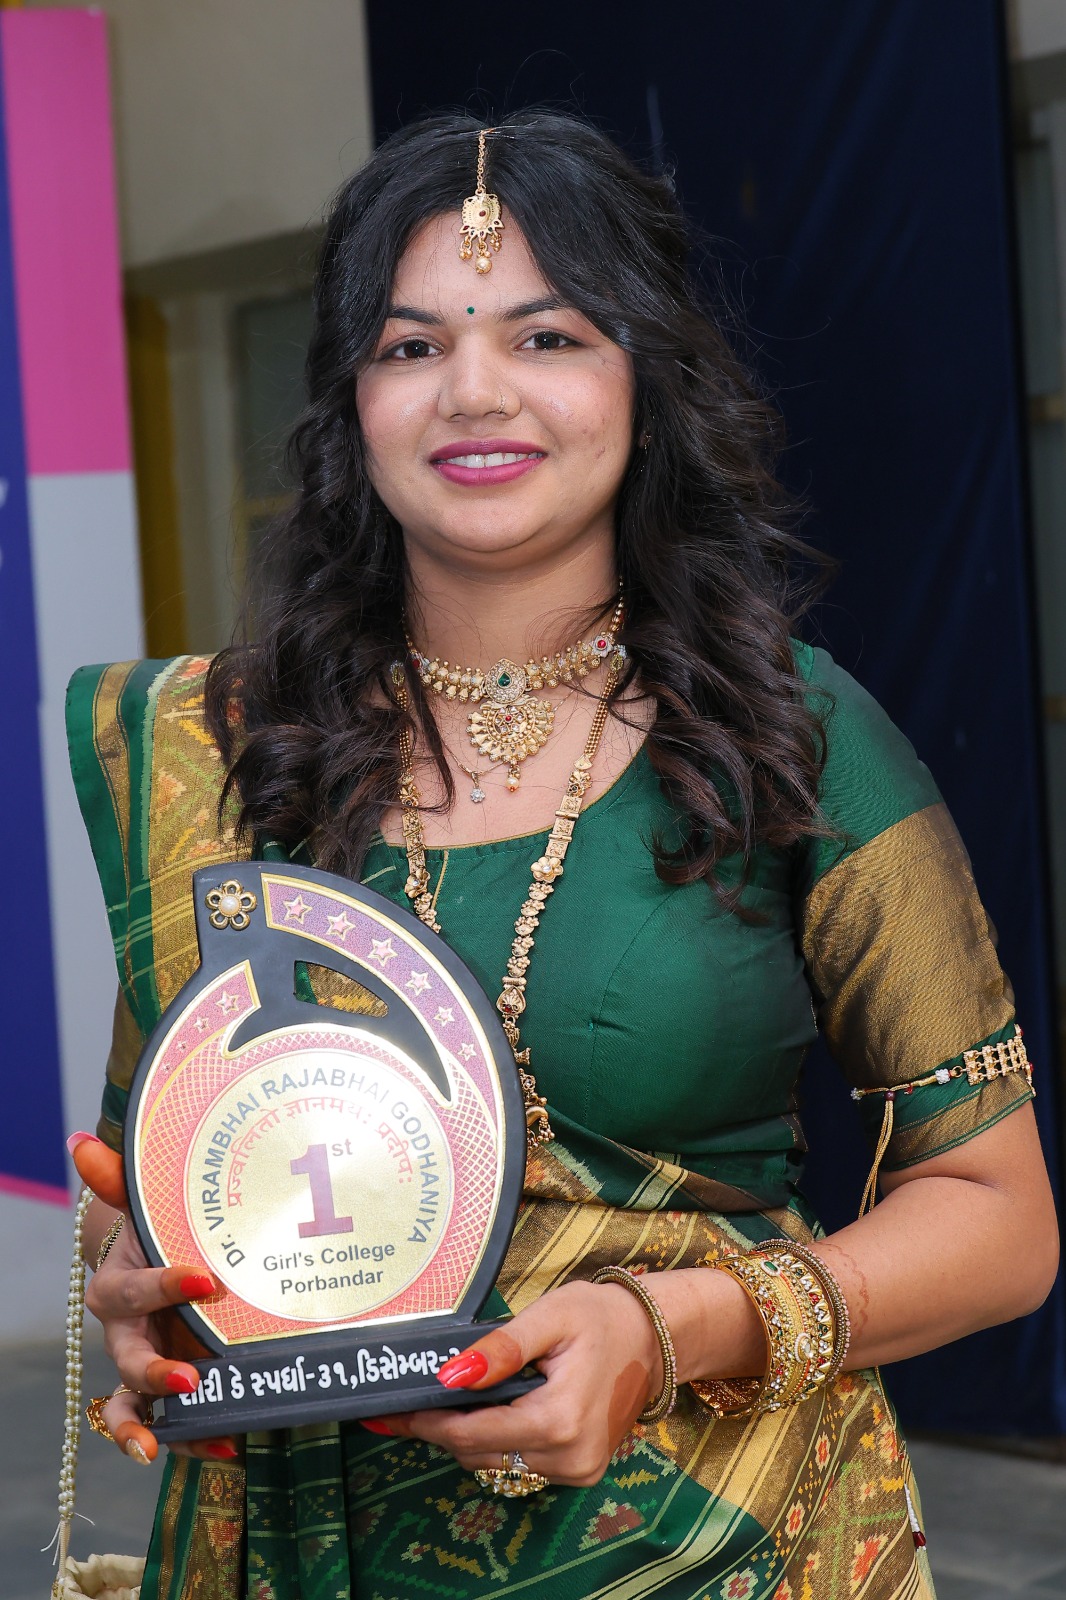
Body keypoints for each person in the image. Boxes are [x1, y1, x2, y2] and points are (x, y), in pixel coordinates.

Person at [65, 111, 1058, 1600]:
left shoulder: (790, 736)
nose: (474, 391)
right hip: (311, 1550)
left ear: (645, 382)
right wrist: (137, 1286)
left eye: (546, 336)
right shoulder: (224, 754)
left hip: (718, 1546)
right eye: (410, 346)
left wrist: (673, 1329)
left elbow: (999, 1222)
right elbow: (148, 1167)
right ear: (349, 401)